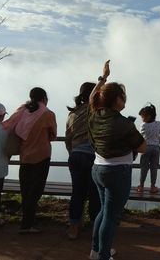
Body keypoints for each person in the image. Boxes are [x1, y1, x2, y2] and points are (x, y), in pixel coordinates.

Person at [88, 60, 146, 260]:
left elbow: (92, 97)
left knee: (104, 212)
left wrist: (103, 77)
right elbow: (143, 147)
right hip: (117, 172)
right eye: (123, 96)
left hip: (97, 169)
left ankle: (96, 251)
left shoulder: (94, 114)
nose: (125, 99)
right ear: (117, 100)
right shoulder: (123, 124)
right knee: (111, 217)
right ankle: (104, 256)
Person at [4, 87, 57, 233]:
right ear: (44, 98)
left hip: (25, 156)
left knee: (26, 190)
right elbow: (53, 135)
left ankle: (26, 223)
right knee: (35, 191)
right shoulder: (48, 114)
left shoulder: (22, 111)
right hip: (42, 156)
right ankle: (27, 225)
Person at [65, 82, 100, 240]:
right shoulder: (96, 110)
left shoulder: (72, 113)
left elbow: (68, 138)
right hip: (92, 157)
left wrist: (72, 152)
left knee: (77, 193)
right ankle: (96, 228)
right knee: (95, 194)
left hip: (75, 156)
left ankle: (73, 227)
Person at [136, 103, 160, 194]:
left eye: (142, 117)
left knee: (144, 167)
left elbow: (140, 137)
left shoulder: (143, 126)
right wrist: (157, 140)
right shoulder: (159, 124)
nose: (142, 119)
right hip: (156, 148)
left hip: (146, 148)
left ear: (148, 116)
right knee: (154, 168)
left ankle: (141, 186)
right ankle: (152, 187)